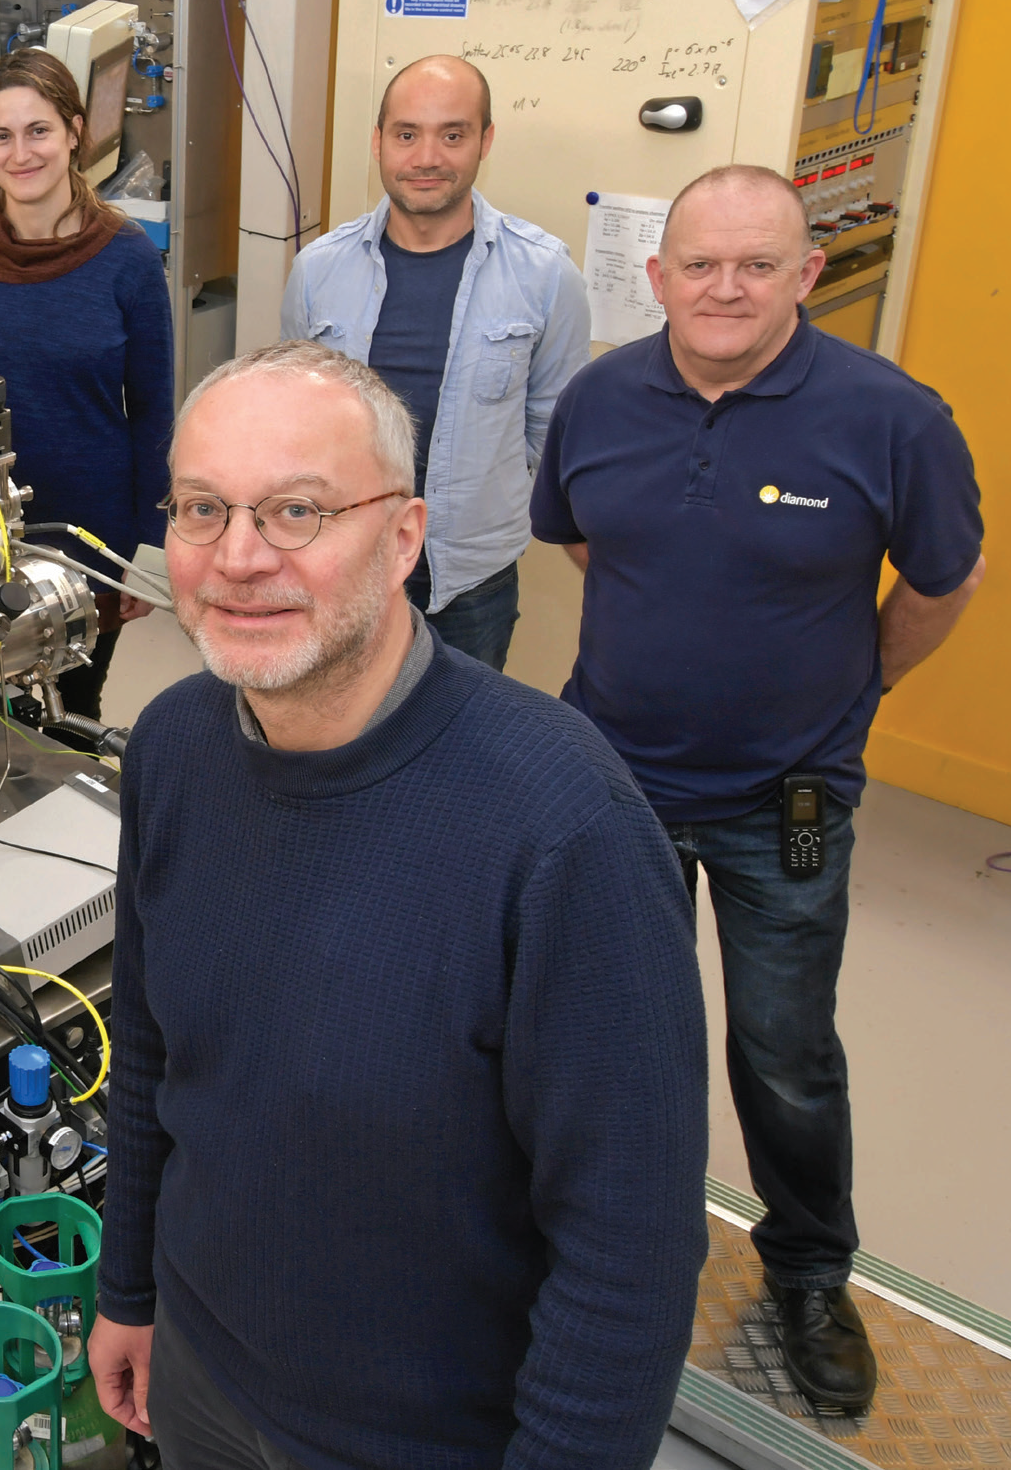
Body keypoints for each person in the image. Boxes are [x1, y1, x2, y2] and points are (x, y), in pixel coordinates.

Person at [85, 341, 708, 1470]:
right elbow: (149, 1054)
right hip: (199, 1379)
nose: (235, 558)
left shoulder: (567, 831)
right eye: (200, 508)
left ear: (404, 535)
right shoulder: (172, 745)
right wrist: (128, 1285)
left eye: (295, 513)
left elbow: (628, 1249)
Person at [532, 165, 986, 1415]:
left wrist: (851, 695)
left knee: (782, 1052)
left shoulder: (891, 418)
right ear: (655, 275)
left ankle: (803, 1271)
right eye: (699, 264)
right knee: (612, 1032)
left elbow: (944, 580)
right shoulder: (599, 398)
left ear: (804, 273)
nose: (722, 288)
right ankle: (609, 1243)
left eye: (754, 264)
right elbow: (583, 536)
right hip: (610, 783)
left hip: (784, 800)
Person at [281, 55, 588, 669]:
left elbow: (552, 428)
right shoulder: (318, 271)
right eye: (406, 134)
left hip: (470, 579)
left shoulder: (546, 274)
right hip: (338, 561)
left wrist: (481, 501)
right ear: (378, 143)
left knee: (457, 749)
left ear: (485, 141)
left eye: (453, 134)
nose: (427, 157)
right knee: (333, 743)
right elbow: (295, 419)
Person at [0, 47, 175, 721]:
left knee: (65, 720)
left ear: (73, 133)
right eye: (1, 136)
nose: (20, 153)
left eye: (38, 131)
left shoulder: (127, 260)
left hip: (90, 541)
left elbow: (153, 413)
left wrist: (148, 553)